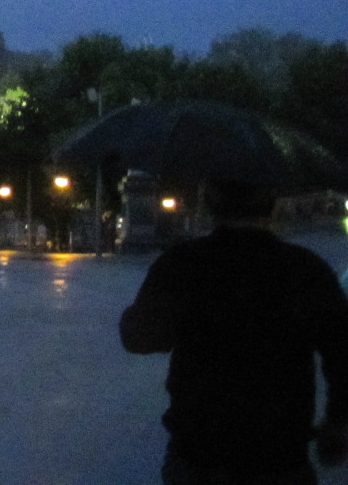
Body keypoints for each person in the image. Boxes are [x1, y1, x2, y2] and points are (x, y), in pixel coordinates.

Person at [119, 178, 348, 485]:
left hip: (200, 448)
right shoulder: (306, 268)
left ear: (211, 202)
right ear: (272, 203)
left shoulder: (183, 263)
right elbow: (341, 352)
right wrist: (338, 421)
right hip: (279, 451)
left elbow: (140, 339)